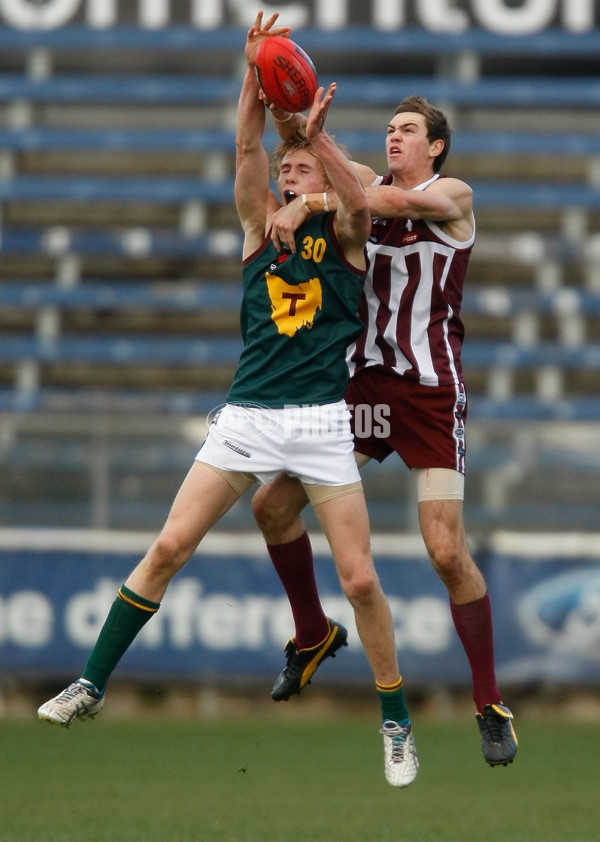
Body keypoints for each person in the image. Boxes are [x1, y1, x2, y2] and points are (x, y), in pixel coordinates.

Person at [37, 12, 418, 789]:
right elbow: (247, 146)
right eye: (287, 173)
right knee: (169, 547)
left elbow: (358, 201)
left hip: (318, 422)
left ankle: (395, 721)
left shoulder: (345, 229)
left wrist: (321, 155)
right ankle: (91, 684)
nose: (287, 176)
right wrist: (253, 72)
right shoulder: (256, 223)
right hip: (245, 416)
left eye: (300, 170)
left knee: (363, 581)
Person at [251, 91, 518, 768]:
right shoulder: (360, 183)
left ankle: (488, 703)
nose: (395, 138)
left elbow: (372, 203)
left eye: (408, 131)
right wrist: (286, 109)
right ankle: (311, 633)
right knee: (273, 503)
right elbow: (319, 162)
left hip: (431, 393)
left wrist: (312, 198)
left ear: (435, 147)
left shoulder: (452, 194)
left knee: (444, 551)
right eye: (391, 130)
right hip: (368, 388)